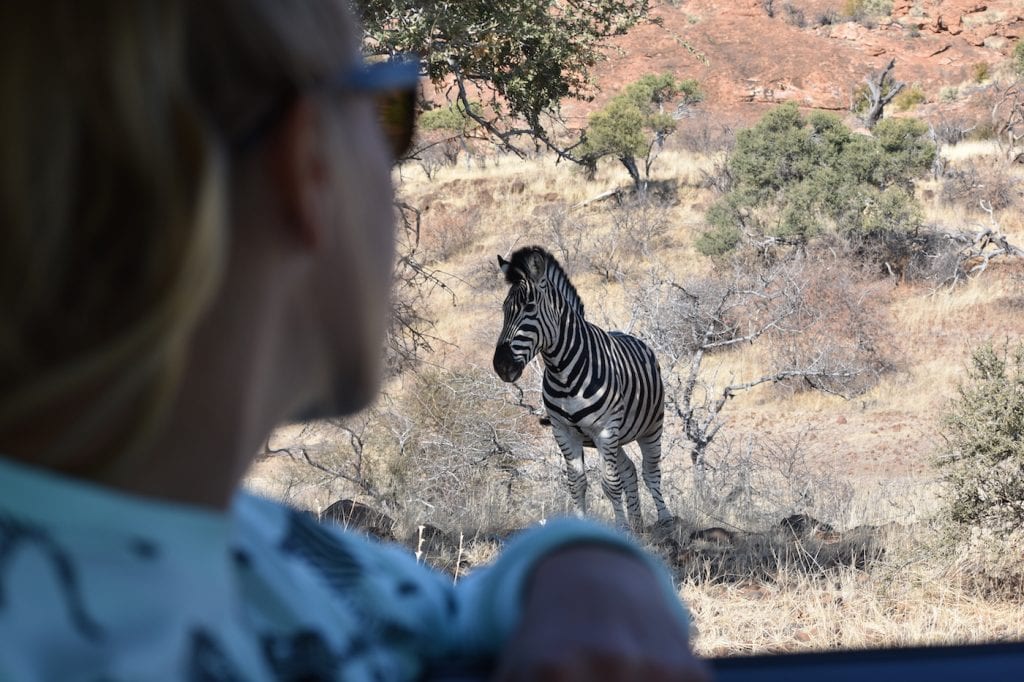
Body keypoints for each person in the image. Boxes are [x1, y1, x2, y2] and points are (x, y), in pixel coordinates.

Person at [0, 2, 711, 680]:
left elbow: (467, 604)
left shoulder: (289, 560)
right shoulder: (320, 584)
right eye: (387, 105)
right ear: (308, 166)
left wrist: (574, 562)